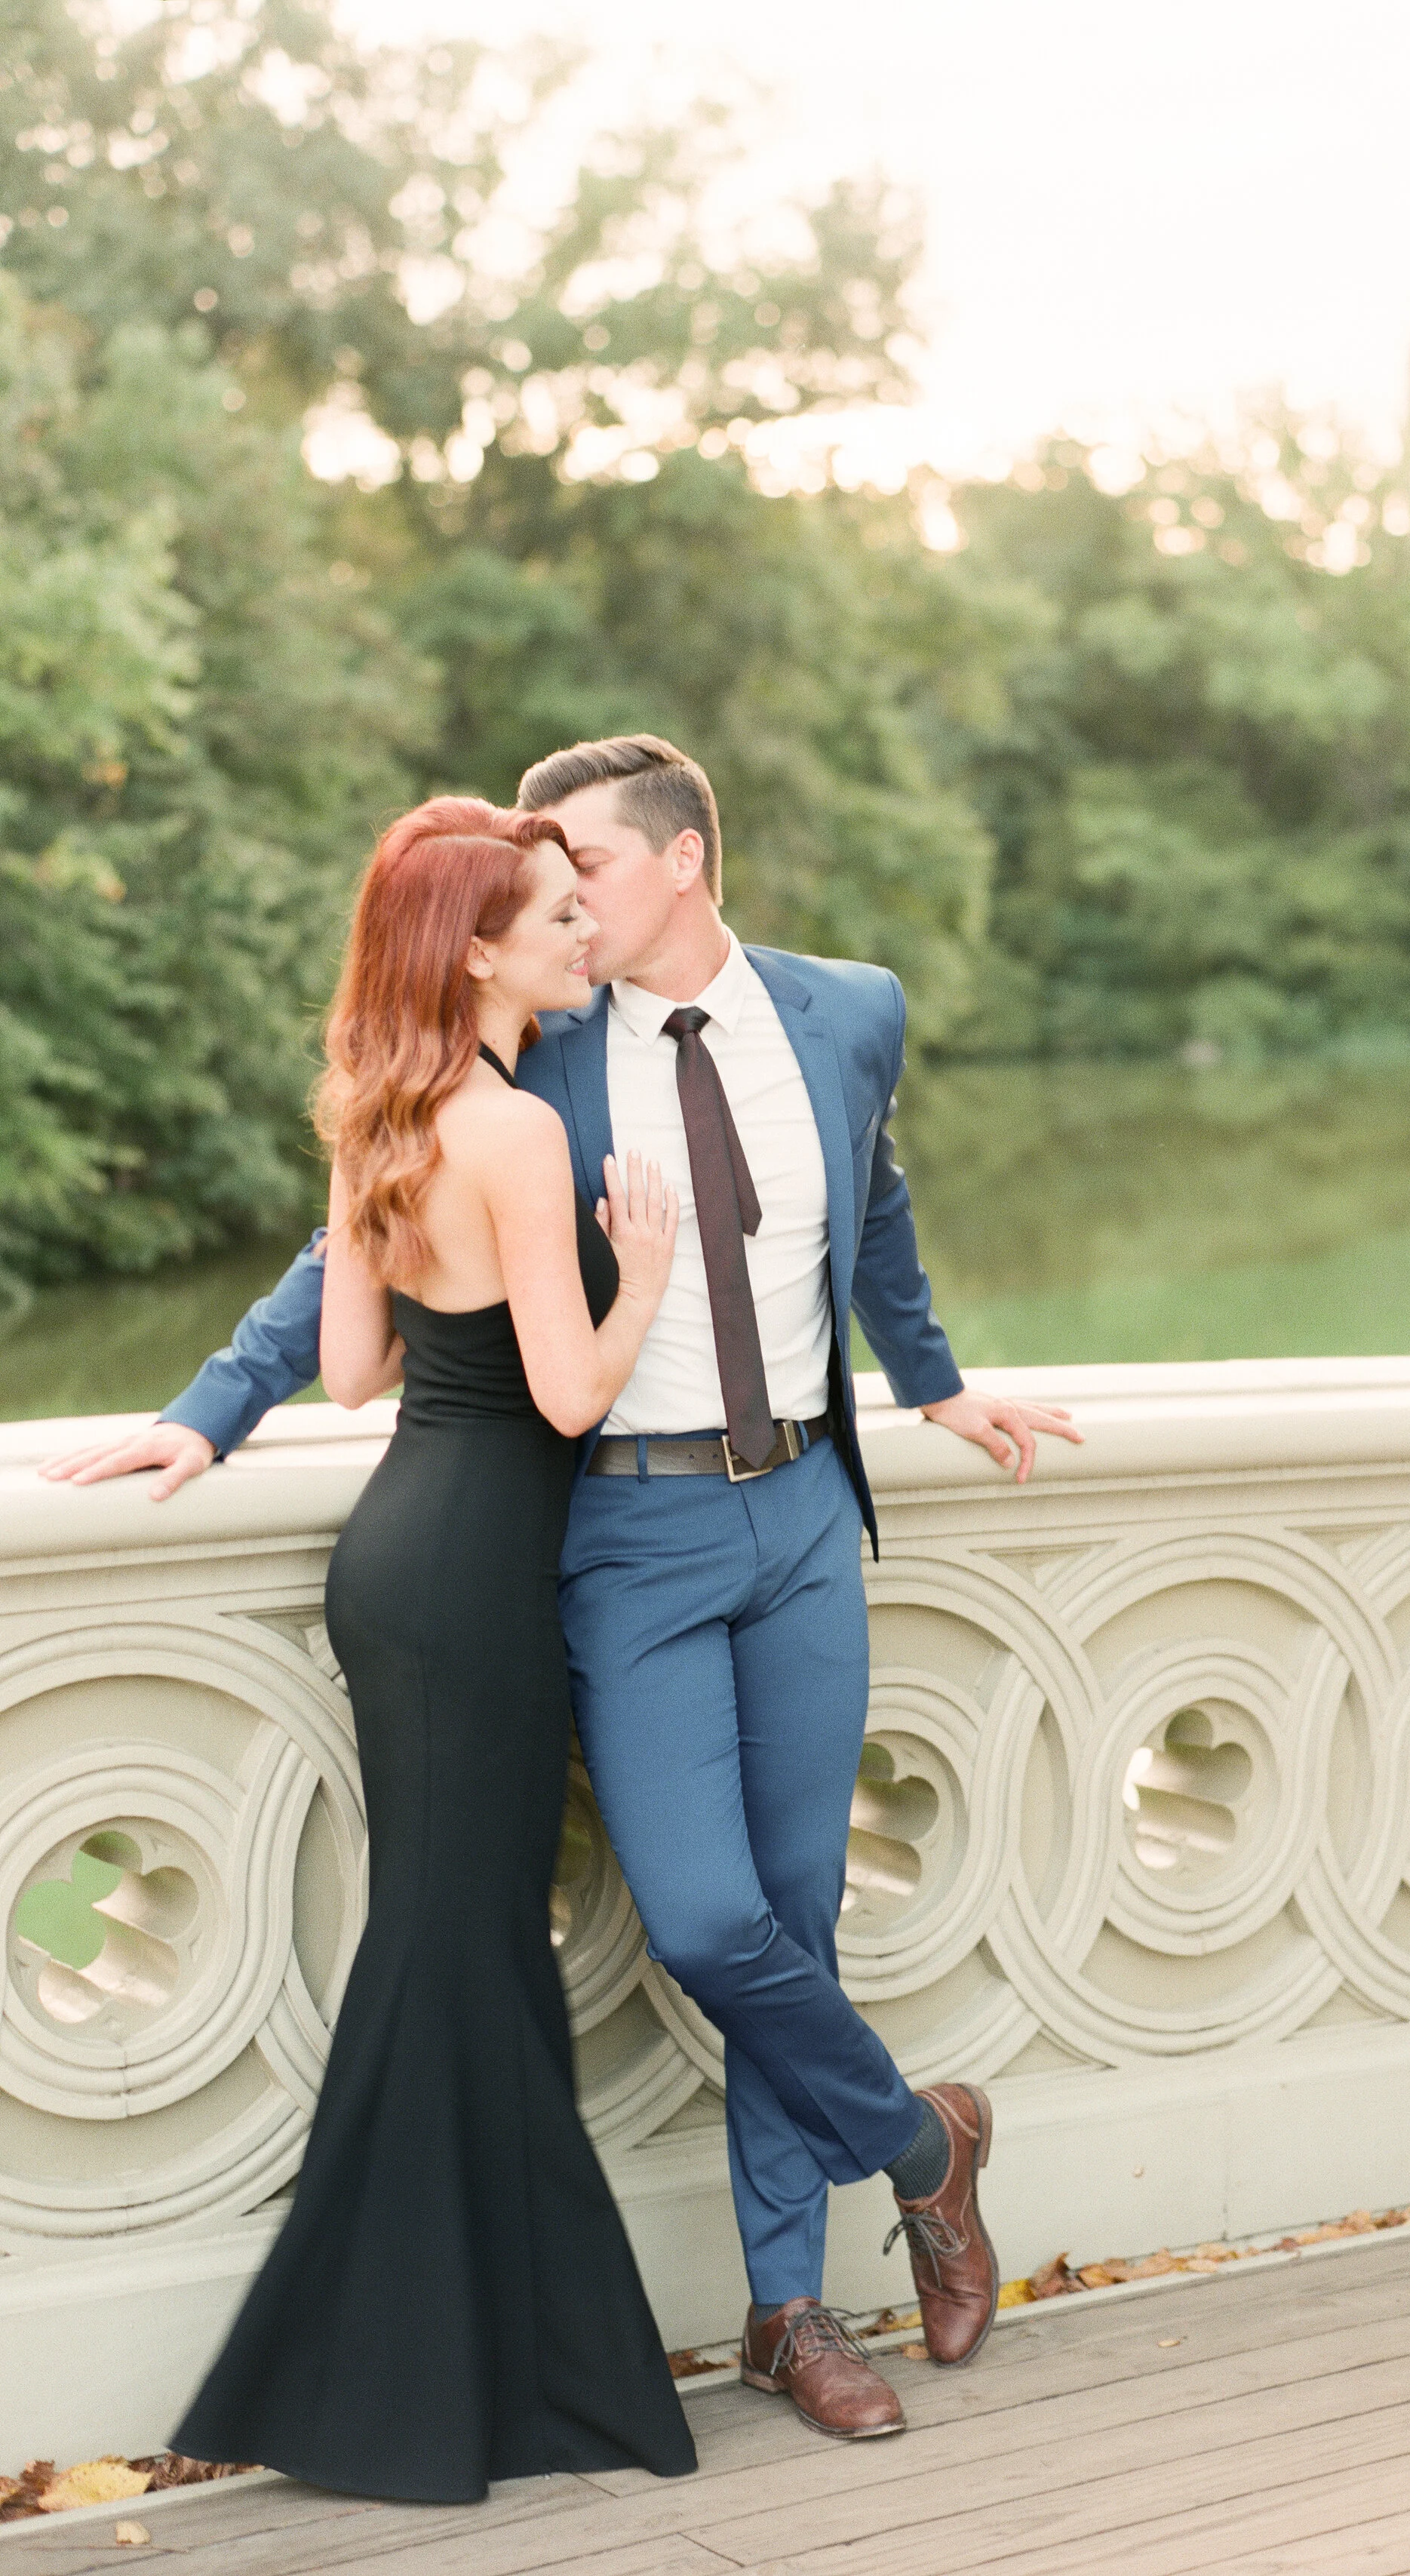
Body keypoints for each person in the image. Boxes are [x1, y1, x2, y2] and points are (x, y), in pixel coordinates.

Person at [46, 734, 1082, 2442]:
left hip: (808, 1516)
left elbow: (869, 1207)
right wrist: (210, 1408)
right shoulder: (552, 1054)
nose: (567, 906)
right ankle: (924, 2141)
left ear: (679, 860)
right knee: (703, 1922)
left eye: (584, 868)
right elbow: (363, 1220)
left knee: (796, 1907)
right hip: (628, 1535)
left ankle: (787, 2310)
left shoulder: (847, 1010)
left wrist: (936, 1380)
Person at [168, 797, 696, 2502]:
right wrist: (645, 1277)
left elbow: (346, 1376)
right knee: (459, 1958)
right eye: (546, 914)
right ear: (473, 948)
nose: (570, 935)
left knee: (465, 1954)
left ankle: (494, 2374)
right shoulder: (525, 1133)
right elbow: (568, 1394)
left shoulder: (378, 1112)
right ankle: (363, 2385)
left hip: (389, 1559)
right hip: (476, 1581)